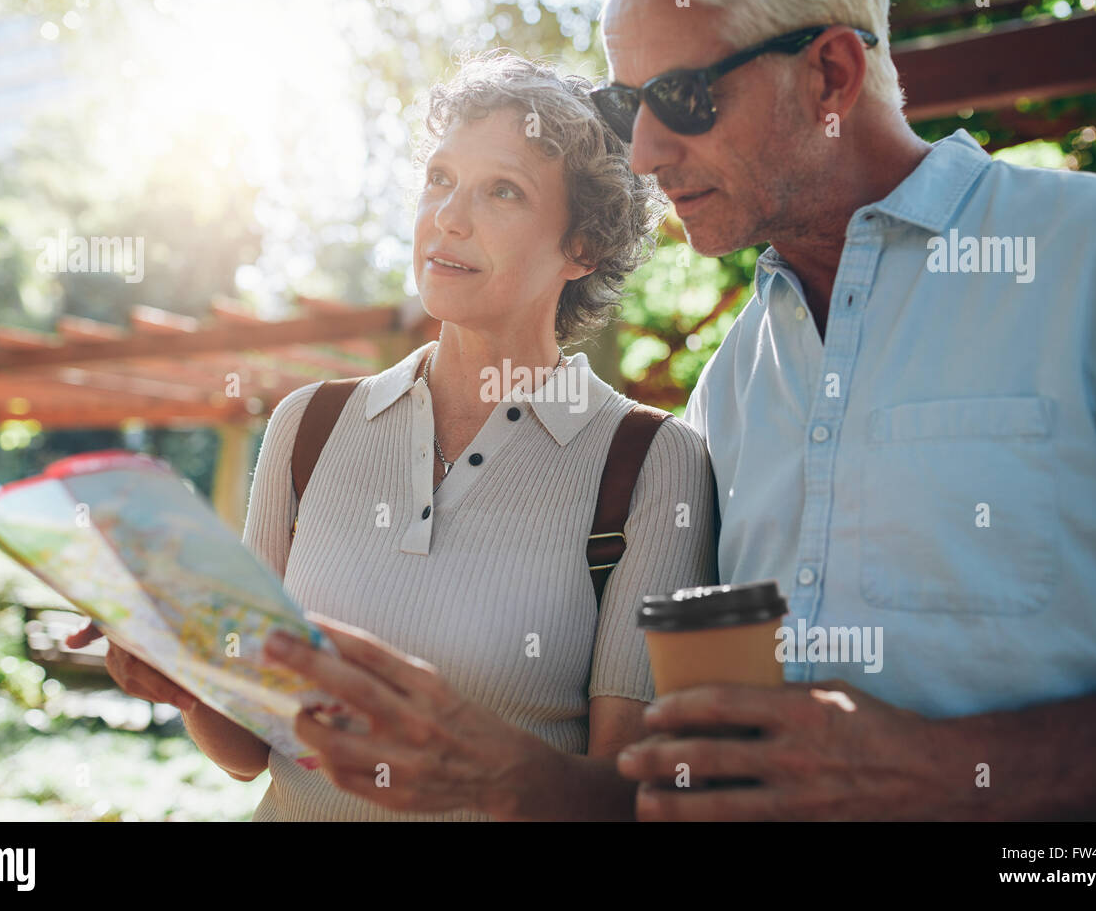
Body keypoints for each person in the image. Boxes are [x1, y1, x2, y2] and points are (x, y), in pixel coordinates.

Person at [598, 0, 1096, 820]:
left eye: (682, 96)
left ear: (832, 74)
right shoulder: (726, 387)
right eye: (625, 105)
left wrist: (950, 773)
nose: (644, 151)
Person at [71, 49, 718, 820]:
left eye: (502, 191)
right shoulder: (309, 424)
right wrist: (178, 665)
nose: (447, 216)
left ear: (585, 247)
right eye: (439, 180)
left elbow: (629, 800)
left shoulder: (651, 464)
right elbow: (249, 749)